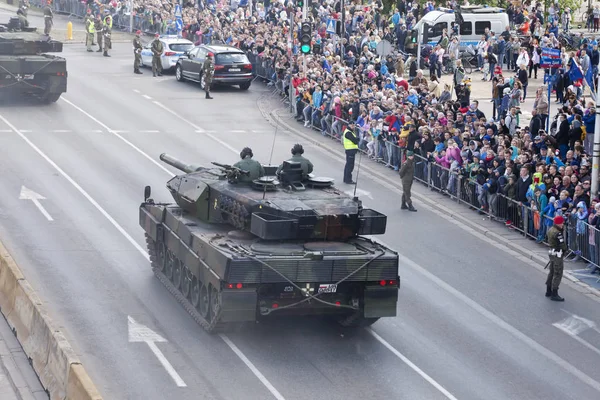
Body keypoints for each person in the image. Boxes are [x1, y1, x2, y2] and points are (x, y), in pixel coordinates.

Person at [546, 215, 568, 301]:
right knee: (557, 273)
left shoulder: (551, 229)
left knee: (551, 272)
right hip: (558, 254)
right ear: (559, 223)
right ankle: (554, 293)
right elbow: (562, 245)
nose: (563, 224)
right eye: (562, 223)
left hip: (552, 252)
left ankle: (548, 290)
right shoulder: (558, 233)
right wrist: (565, 250)